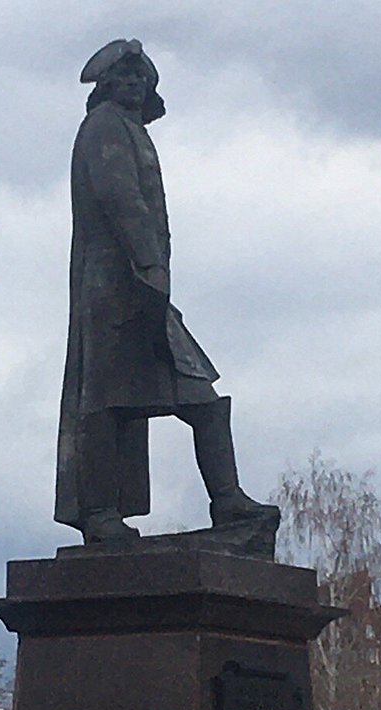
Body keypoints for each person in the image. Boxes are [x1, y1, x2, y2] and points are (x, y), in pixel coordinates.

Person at [54, 38, 278, 544]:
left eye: (143, 78)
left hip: (143, 286)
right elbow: (120, 198)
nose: (135, 85)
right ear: (108, 85)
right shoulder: (104, 126)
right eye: (126, 77)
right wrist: (150, 263)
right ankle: (100, 513)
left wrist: (154, 273)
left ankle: (227, 499)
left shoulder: (130, 130)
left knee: (199, 396)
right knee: (107, 401)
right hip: (116, 289)